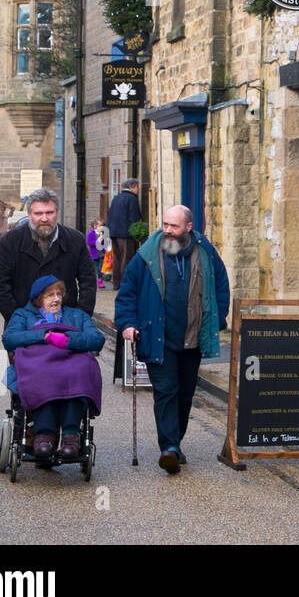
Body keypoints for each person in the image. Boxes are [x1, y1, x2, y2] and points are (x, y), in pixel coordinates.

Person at [116, 205, 229, 474]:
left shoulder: (205, 252)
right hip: (158, 337)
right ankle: (169, 448)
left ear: (188, 228)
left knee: (185, 394)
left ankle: (175, 443)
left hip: (193, 338)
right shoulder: (147, 255)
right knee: (166, 391)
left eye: (174, 226)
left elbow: (221, 286)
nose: (167, 230)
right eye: (165, 224)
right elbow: (127, 292)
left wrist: (218, 318)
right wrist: (128, 323)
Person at [2, 276, 103, 460]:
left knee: (78, 373)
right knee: (43, 376)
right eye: (50, 295)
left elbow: (97, 339)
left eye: (58, 294)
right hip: (40, 366)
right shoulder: (23, 316)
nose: (56, 299)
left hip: (71, 363)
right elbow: (9, 339)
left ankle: (70, 436)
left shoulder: (77, 316)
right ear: (38, 298)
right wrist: (44, 336)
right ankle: (44, 435)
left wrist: (68, 340)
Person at [0, 188, 96, 324]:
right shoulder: (10, 241)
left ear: (57, 212)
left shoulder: (75, 240)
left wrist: (80, 317)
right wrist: (18, 319)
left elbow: (88, 281)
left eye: (49, 213)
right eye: (38, 213)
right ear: (29, 214)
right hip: (22, 327)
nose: (44, 219)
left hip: (67, 326)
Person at [106, 178, 142, 291]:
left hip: (113, 232)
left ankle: (116, 283)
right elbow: (134, 218)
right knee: (126, 259)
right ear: (133, 186)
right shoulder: (131, 198)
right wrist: (136, 233)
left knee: (117, 258)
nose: (138, 190)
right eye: (137, 187)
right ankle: (125, 284)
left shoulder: (116, 198)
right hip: (125, 234)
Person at [86, 219, 108, 289]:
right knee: (92, 269)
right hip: (93, 255)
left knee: (100, 268)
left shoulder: (102, 233)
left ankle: (100, 281)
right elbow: (89, 242)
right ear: (95, 226)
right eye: (100, 226)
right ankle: (91, 281)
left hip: (101, 254)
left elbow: (104, 242)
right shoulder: (91, 233)